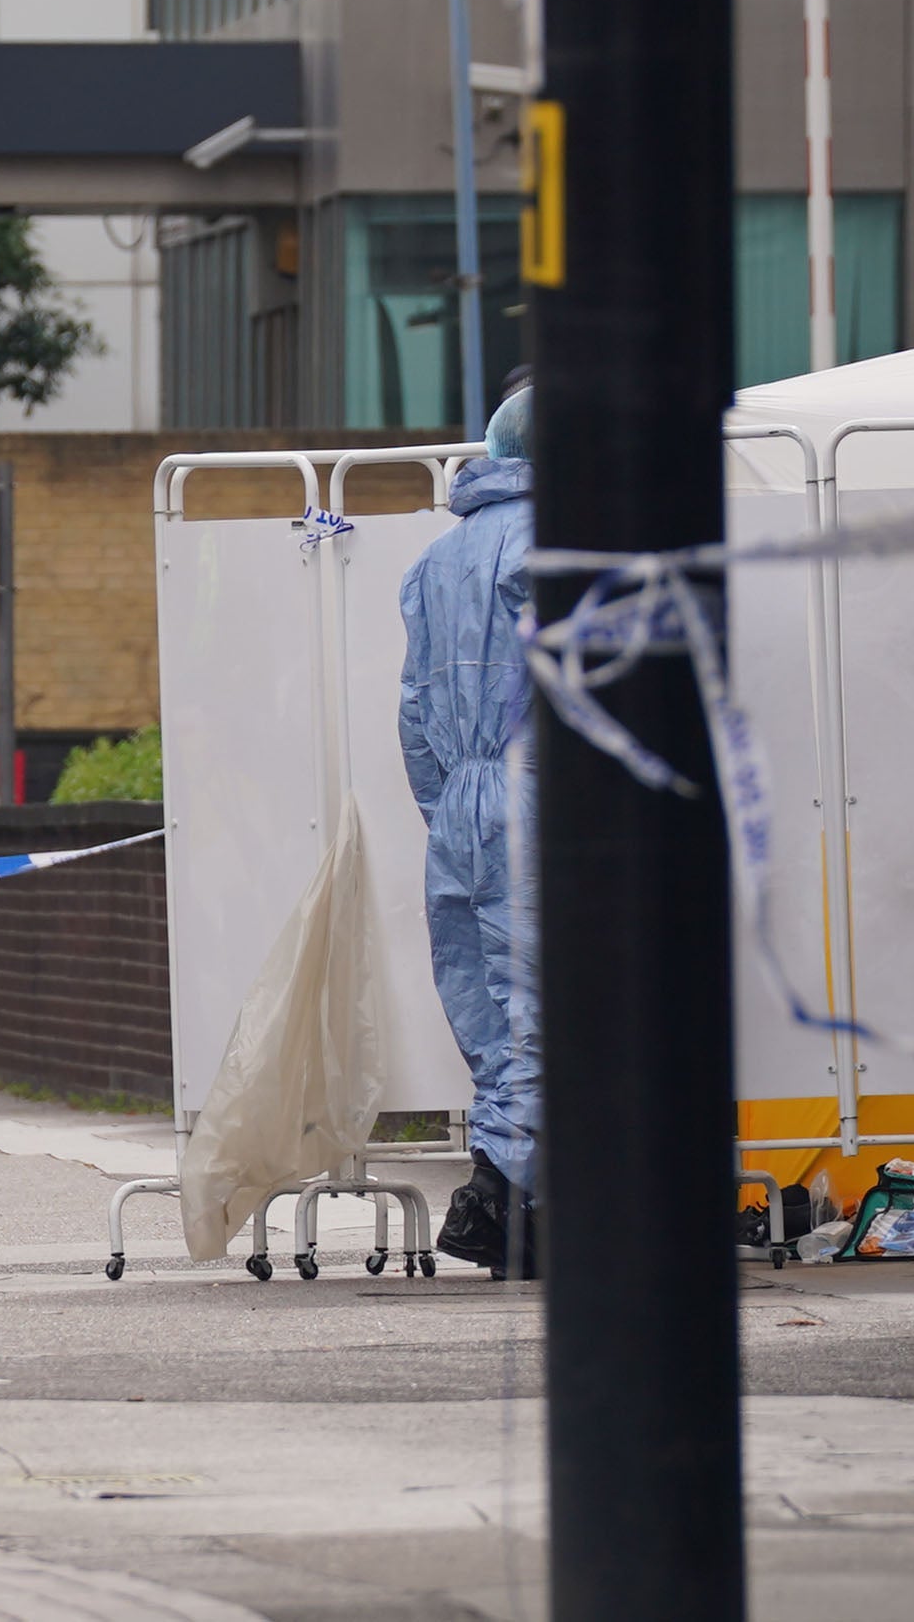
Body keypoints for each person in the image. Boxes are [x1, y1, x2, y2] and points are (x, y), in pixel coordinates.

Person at [399, 387, 541, 1277]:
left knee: (489, 1015)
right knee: (549, 1014)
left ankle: (507, 1197)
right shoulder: (560, 549)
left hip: (462, 805)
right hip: (542, 794)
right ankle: (501, 1193)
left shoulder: (437, 560)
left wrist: (452, 807)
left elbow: (415, 712)